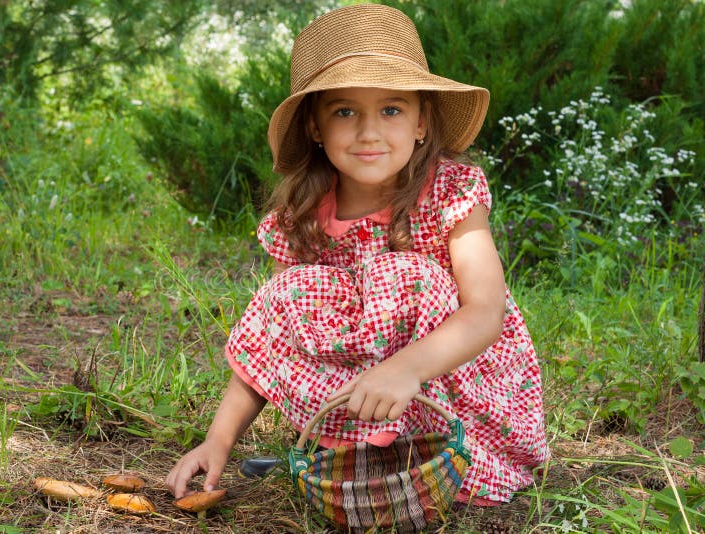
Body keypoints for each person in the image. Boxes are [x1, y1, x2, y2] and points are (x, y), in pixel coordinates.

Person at [165, 3, 549, 506]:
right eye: (345, 111)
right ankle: (357, 453)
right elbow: (277, 338)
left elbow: (485, 310)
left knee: (406, 273)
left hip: (455, 391)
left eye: (391, 109)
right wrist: (219, 440)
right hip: (359, 406)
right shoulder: (301, 217)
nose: (369, 132)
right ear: (316, 128)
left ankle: (436, 451)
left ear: (421, 122)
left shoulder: (450, 191)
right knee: (287, 291)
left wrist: (407, 369)